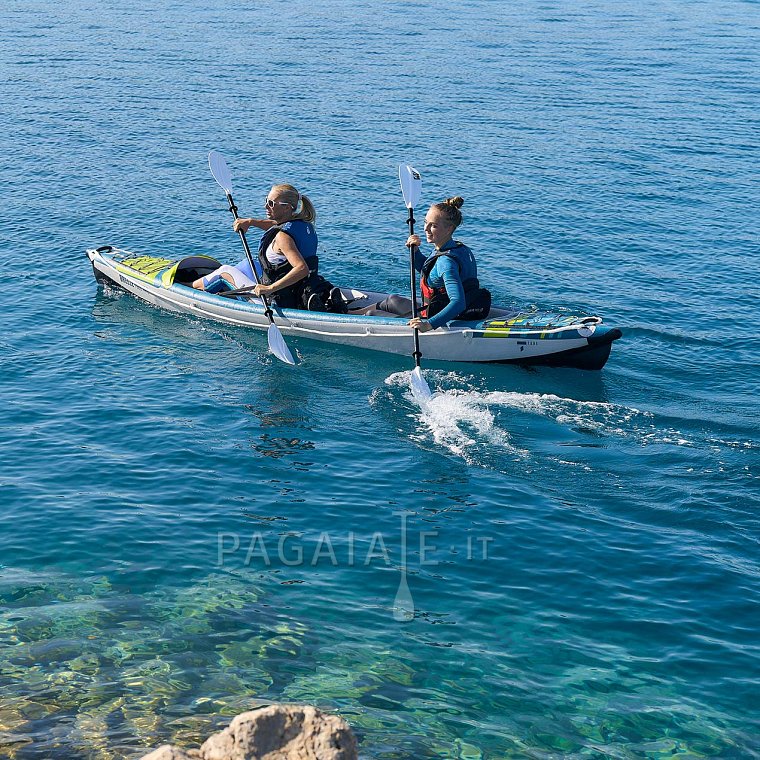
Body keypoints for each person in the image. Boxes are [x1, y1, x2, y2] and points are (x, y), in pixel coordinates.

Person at [193, 183, 336, 311]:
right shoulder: (304, 225)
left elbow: (302, 269)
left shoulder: (283, 238)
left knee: (224, 272)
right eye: (266, 201)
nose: (266, 206)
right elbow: (277, 224)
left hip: (275, 299)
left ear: (286, 207)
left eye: (271, 203)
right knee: (247, 265)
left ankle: (188, 287)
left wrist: (269, 288)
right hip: (298, 289)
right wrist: (250, 222)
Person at [357, 196, 490, 328]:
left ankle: (346, 318)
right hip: (435, 309)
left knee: (371, 314)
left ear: (449, 228)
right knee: (392, 300)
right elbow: (431, 273)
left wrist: (428, 325)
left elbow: (458, 303)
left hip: (438, 317)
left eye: (433, 226)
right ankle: (348, 312)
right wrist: (415, 252)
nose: (426, 229)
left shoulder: (446, 262)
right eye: (425, 222)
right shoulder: (457, 248)